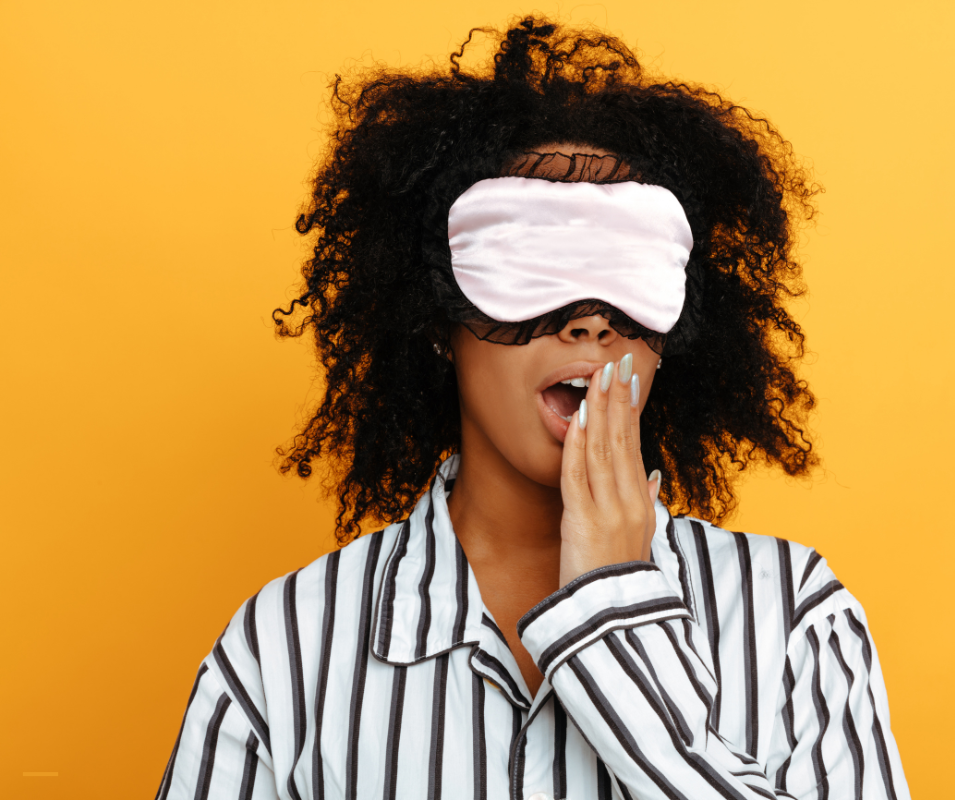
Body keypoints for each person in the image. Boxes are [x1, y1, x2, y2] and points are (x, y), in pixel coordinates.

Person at [156, 17, 910, 800]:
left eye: (626, 279)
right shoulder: (283, 654)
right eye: (535, 268)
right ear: (440, 319)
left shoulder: (793, 623)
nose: (590, 322)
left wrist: (617, 620)